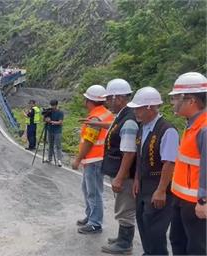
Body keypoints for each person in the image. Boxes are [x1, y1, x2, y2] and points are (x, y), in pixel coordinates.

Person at [128, 86, 179, 255]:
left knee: (156, 229)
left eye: (138, 108)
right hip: (144, 185)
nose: (135, 112)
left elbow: (169, 163)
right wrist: (136, 179)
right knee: (143, 223)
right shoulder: (143, 127)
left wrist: (161, 190)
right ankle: (148, 253)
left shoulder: (167, 130)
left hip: (158, 186)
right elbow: (140, 156)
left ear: (150, 107)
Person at [96, 79, 138, 254]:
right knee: (122, 205)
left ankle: (125, 243)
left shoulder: (128, 120)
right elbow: (114, 127)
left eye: (109, 99)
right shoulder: (124, 115)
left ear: (118, 98)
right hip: (121, 171)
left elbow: (129, 153)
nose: (107, 102)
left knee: (125, 207)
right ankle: (122, 237)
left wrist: (120, 177)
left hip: (125, 174)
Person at [168, 72, 207, 255]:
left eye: (176, 98)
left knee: (196, 247)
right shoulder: (192, 124)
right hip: (181, 198)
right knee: (177, 240)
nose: (173, 103)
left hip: (195, 202)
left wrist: (204, 201)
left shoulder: (204, 128)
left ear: (191, 100)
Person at [72, 84, 114, 234]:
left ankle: (95, 222)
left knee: (93, 191)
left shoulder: (96, 118)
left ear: (89, 100)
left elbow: (89, 142)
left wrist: (77, 159)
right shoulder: (105, 113)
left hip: (94, 160)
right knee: (87, 188)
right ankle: (90, 215)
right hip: (96, 159)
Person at [44, 99, 64, 167]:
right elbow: (44, 119)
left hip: (57, 131)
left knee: (58, 146)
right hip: (50, 130)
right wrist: (46, 119)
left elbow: (60, 122)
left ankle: (59, 160)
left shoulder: (60, 112)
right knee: (50, 145)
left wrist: (51, 121)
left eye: (54, 105)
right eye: (51, 105)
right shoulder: (49, 111)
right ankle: (49, 158)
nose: (52, 107)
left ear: (56, 105)